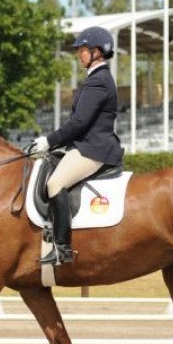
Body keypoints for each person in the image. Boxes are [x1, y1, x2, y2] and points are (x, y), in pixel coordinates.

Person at [31, 26, 124, 265]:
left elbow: (80, 122)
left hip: (93, 148)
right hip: (85, 144)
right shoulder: (96, 79)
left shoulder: (99, 82)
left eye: (83, 49)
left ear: (97, 52)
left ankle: (63, 248)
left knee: (55, 183)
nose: (79, 54)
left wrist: (49, 141)